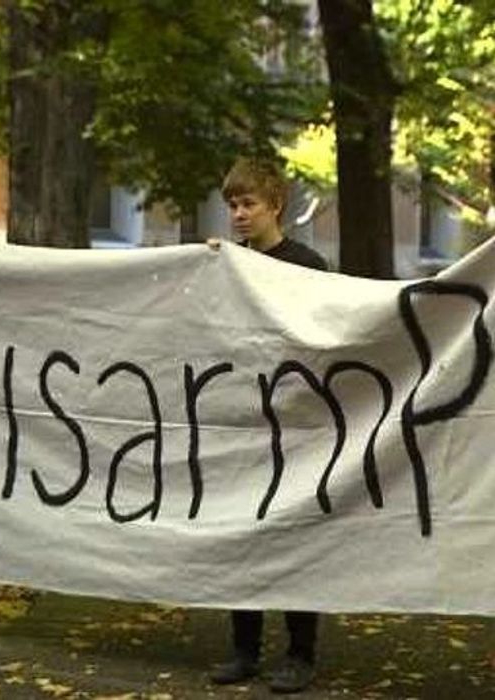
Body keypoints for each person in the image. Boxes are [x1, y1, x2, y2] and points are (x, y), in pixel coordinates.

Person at [206, 158, 327, 694]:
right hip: (244, 424)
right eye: (232, 205)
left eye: (248, 203)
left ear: (274, 205)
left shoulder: (306, 263)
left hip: (297, 424)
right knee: (241, 534)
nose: (238, 214)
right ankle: (244, 649)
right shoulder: (227, 264)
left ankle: (301, 653)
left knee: (295, 536)